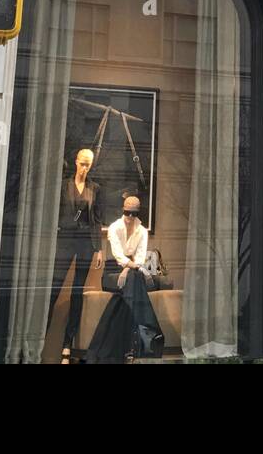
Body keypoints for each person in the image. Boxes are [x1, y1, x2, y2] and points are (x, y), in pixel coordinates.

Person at [86, 196, 164, 363]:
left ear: (137, 213)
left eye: (133, 214)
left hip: (131, 274)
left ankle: (125, 345)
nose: (129, 217)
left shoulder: (142, 231)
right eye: (127, 212)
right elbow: (118, 255)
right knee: (134, 278)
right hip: (112, 272)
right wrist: (128, 268)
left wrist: (128, 270)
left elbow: (141, 257)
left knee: (133, 278)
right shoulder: (115, 228)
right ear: (123, 209)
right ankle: (147, 332)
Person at [46, 148, 104, 363]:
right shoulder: (64, 185)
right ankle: (38, 335)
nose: (84, 168)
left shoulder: (94, 189)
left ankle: (67, 344)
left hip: (85, 243)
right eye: (82, 163)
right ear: (76, 161)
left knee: (77, 292)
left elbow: (97, 219)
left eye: (88, 164)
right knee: (54, 287)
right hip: (64, 241)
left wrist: (98, 248)